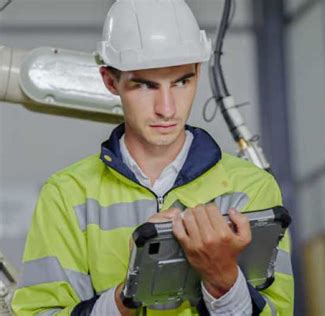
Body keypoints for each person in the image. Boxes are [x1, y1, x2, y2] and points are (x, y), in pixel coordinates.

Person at [12, 0, 294, 315]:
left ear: (198, 72)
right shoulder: (68, 195)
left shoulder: (250, 189)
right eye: (145, 85)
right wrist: (129, 293)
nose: (167, 108)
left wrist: (223, 280)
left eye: (181, 82)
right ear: (109, 80)